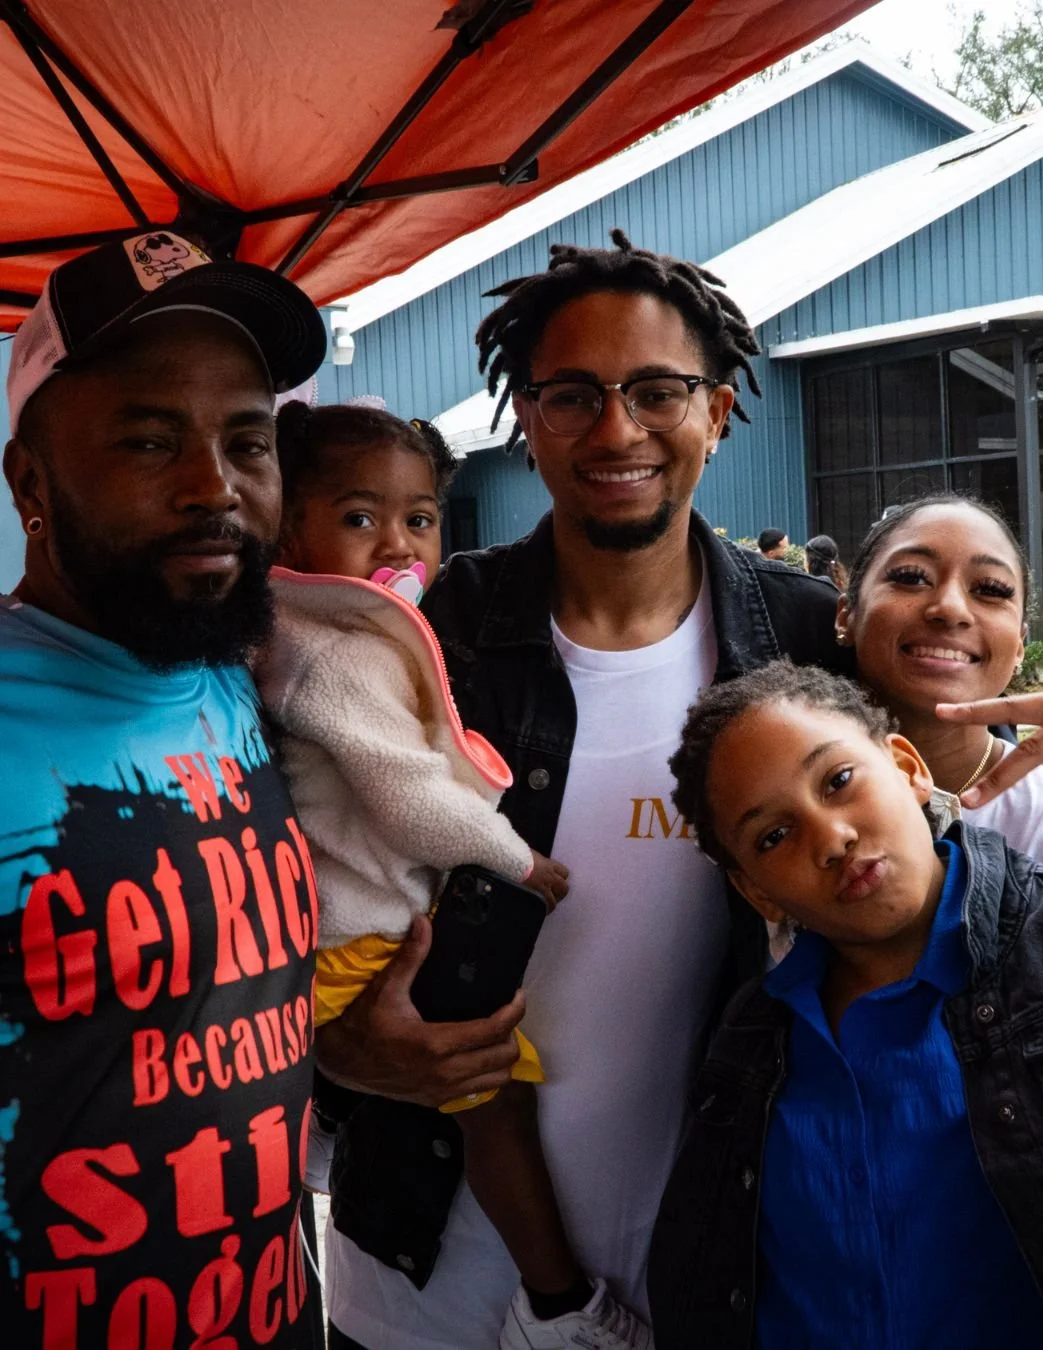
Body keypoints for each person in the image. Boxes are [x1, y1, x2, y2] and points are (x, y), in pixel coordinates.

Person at [315, 230, 848, 1350]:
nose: (616, 431)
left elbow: (927, 864)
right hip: (420, 1274)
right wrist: (335, 1050)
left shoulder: (805, 639)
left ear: (719, 409)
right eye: (572, 396)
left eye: (657, 391)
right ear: (527, 418)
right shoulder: (428, 632)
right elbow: (265, 871)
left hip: (706, 1262)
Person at [256, 402, 647, 1347]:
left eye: (420, 518)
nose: (399, 543)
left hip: (359, 925)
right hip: (361, 937)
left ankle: (317, 1133)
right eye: (360, 517)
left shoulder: (339, 629)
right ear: (289, 528)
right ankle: (561, 1308)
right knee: (495, 1095)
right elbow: (406, 796)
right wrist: (517, 859)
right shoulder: (335, 652)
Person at [0, 234, 328, 1347]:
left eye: (249, 441)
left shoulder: (233, 669)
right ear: (30, 483)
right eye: (149, 441)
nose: (214, 488)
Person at [649, 658, 1043, 1348]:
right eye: (773, 836)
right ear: (756, 892)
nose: (831, 839)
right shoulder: (750, 1043)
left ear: (907, 767)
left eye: (839, 781)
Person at [836, 495, 1043, 866]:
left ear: (1019, 645)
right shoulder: (784, 799)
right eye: (912, 577)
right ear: (846, 616)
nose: (950, 608)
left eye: (991, 589)